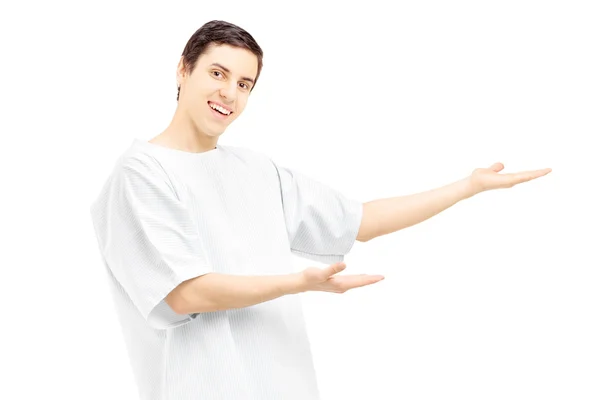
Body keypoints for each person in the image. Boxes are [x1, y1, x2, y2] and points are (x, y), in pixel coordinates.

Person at [88, 19, 552, 400]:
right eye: (217, 73)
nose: (230, 93)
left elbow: (362, 221)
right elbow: (185, 294)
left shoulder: (255, 169)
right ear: (182, 70)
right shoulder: (140, 174)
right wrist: (296, 282)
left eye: (244, 83)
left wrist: (467, 186)